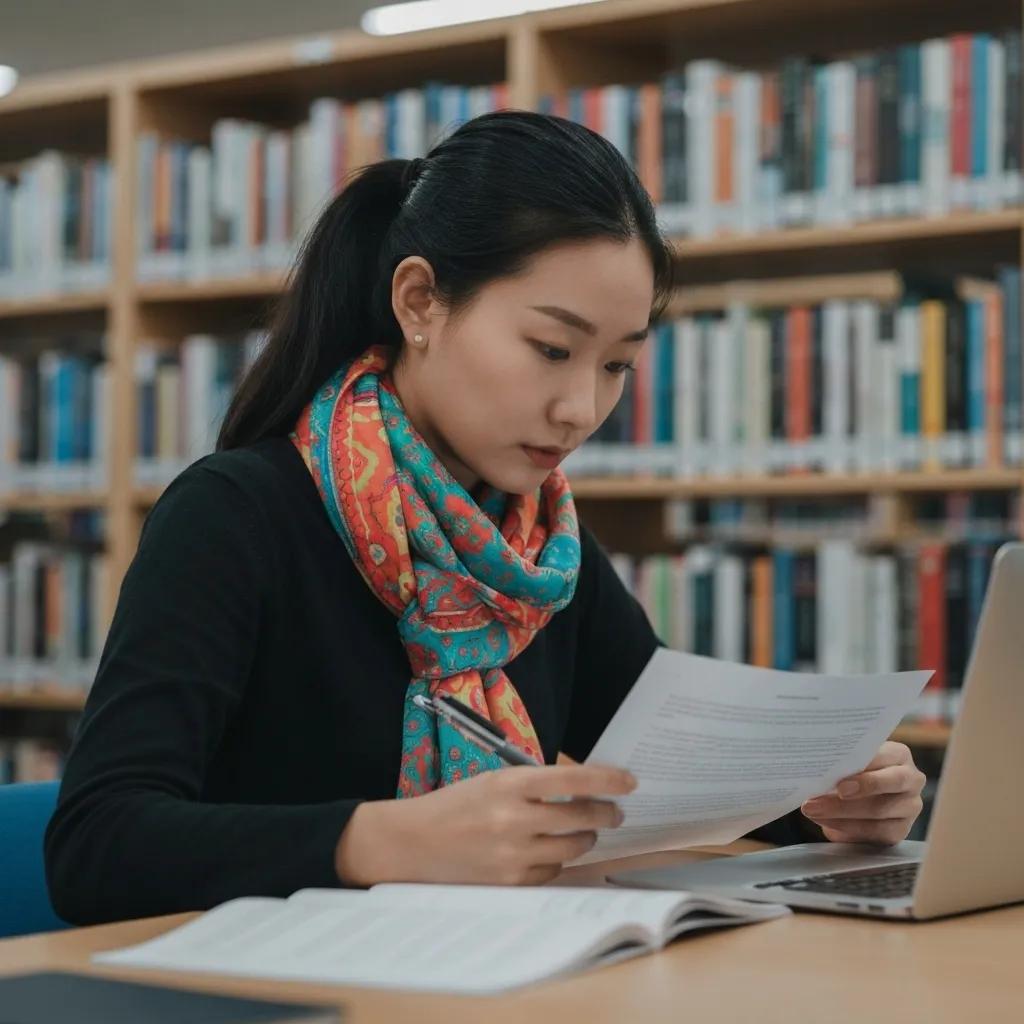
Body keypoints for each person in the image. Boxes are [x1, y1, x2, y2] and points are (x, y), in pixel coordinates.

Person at [44, 111, 926, 925]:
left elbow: (668, 782)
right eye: (551, 349)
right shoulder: (235, 516)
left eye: (617, 366)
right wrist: (381, 840)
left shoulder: (535, 552)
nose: (581, 407)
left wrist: (824, 798)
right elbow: (96, 845)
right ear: (421, 301)